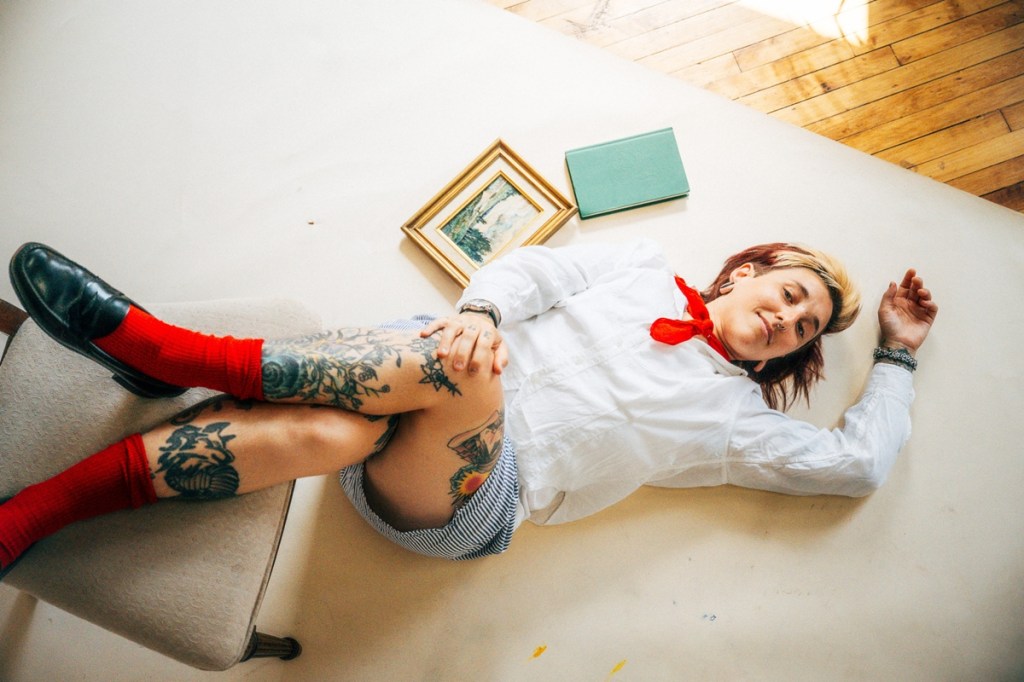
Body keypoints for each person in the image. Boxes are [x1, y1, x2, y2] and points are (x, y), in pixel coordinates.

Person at [0, 237, 937, 572]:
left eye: (803, 330)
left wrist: (895, 354)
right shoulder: (642, 268)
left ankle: (169, 356)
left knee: (468, 374)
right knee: (333, 426)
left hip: (465, 500)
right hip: (394, 391)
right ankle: (40, 511)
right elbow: (533, 272)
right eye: (789, 295)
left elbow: (855, 465)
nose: (786, 321)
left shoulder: (735, 421)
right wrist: (484, 310)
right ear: (748, 271)